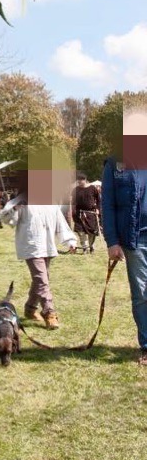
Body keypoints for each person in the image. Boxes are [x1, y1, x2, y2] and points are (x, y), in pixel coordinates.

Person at [101, 119, 147, 365]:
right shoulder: (114, 164)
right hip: (134, 239)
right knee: (141, 293)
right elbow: (107, 204)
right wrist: (112, 241)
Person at [0, 195, 77, 328]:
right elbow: (5, 218)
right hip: (31, 247)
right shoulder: (22, 200)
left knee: (41, 280)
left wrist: (70, 241)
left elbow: (61, 224)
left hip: (47, 246)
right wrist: (15, 209)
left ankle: (30, 309)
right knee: (42, 281)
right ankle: (49, 313)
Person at [71, 172, 101, 253]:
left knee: (92, 232)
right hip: (79, 213)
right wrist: (73, 211)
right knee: (80, 231)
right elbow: (73, 202)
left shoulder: (92, 188)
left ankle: (91, 246)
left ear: (85, 180)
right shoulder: (76, 189)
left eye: (80, 180)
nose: (79, 182)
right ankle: (85, 247)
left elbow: (98, 200)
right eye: (78, 181)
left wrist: (98, 209)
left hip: (90, 213)